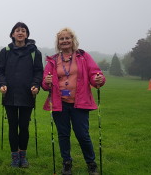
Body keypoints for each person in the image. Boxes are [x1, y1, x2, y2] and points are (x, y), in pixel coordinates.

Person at [42, 27, 105, 175]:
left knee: (82, 134)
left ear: (72, 40)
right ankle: (67, 163)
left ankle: (91, 163)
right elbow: (45, 84)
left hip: (80, 102)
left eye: (67, 38)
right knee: (63, 135)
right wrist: (47, 81)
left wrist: (99, 79)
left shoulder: (83, 57)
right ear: (58, 42)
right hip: (60, 103)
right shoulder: (53, 60)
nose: (64, 41)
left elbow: (96, 74)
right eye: (61, 39)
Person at [0, 22, 43, 168]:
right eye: (17, 30)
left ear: (27, 34)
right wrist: (2, 84)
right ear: (12, 34)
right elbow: (0, 70)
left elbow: (38, 72)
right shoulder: (6, 51)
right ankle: (14, 157)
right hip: (9, 95)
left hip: (27, 95)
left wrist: (36, 85)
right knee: (12, 126)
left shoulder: (35, 53)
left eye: (23, 30)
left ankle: (23, 156)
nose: (20, 33)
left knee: (23, 127)